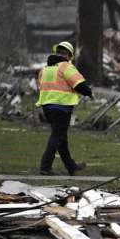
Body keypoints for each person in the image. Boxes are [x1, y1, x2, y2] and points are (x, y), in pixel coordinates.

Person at [36, 41, 93, 176]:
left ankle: (71, 166)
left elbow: (42, 86)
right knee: (57, 136)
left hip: (47, 106)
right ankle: (45, 167)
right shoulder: (66, 67)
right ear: (68, 55)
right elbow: (80, 85)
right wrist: (89, 93)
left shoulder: (44, 69)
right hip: (61, 107)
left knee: (61, 137)